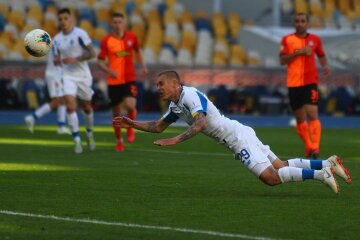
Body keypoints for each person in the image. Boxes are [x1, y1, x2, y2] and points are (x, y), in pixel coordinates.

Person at [113, 70, 352, 194]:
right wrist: (133, 124)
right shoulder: (176, 104)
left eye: (161, 84)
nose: (158, 89)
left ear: (175, 84)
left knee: (270, 178)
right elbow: (158, 126)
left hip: (237, 138)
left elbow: (200, 124)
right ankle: (327, 163)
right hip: (239, 130)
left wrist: (176, 140)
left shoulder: (190, 95)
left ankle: (322, 175)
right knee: (279, 166)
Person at [279, 13, 331, 159]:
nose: (300, 23)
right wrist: (299, 52)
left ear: (307, 23)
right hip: (294, 84)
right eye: (297, 21)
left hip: (310, 82)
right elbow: (283, 60)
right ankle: (309, 147)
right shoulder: (287, 39)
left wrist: (325, 65)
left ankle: (315, 147)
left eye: (303, 21)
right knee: (300, 119)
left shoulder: (315, 39)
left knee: (313, 113)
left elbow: (321, 54)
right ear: (294, 23)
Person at [97, 12, 147, 152]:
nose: (117, 24)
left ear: (124, 23)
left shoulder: (132, 37)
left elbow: (138, 51)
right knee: (116, 114)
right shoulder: (106, 40)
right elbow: (100, 62)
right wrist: (109, 71)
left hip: (129, 78)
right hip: (114, 82)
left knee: (131, 106)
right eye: (115, 22)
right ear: (111, 24)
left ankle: (130, 128)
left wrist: (143, 66)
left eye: (120, 22)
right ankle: (119, 141)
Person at [53, 8, 96, 154]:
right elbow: (57, 59)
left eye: (66, 18)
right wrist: (57, 60)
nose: (63, 21)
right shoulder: (57, 39)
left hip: (83, 75)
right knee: (70, 106)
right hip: (68, 76)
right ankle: (77, 139)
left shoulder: (80, 34)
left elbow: (92, 53)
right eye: (60, 19)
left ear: (71, 19)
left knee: (87, 107)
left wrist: (76, 59)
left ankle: (89, 133)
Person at [24, 45, 70, 135]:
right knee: (57, 100)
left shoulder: (58, 41)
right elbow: (57, 60)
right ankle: (33, 117)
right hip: (54, 75)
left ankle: (61, 126)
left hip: (55, 73)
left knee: (63, 100)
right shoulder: (60, 42)